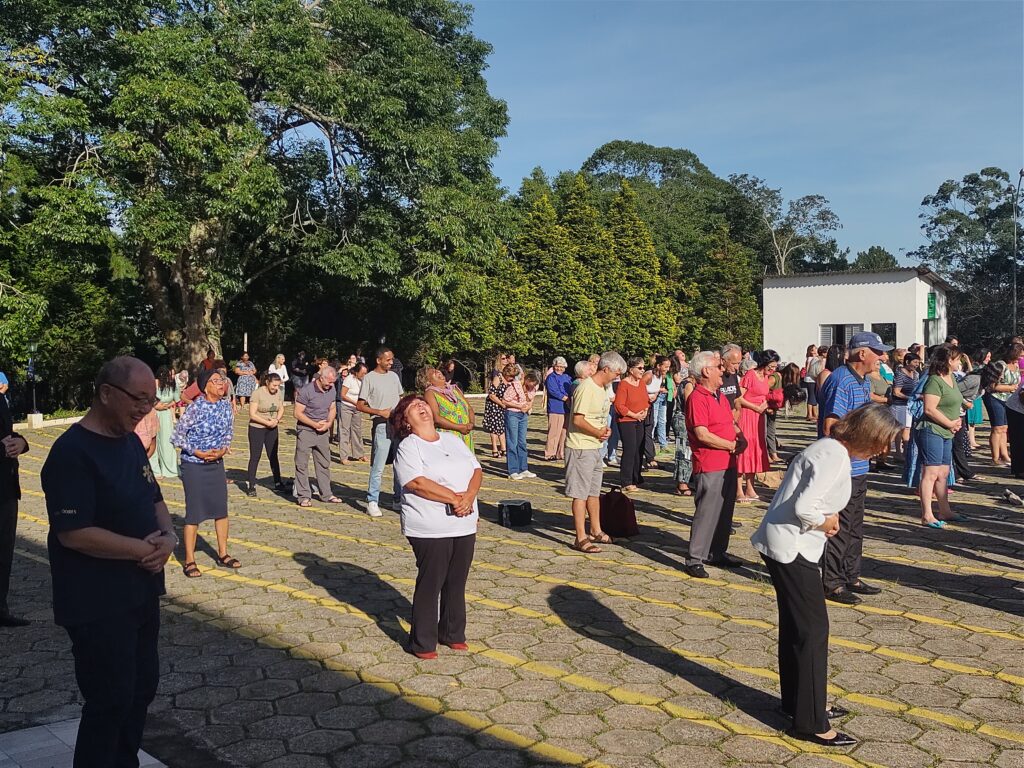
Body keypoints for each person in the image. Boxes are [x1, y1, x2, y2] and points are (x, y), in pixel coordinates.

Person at [41, 357, 176, 766]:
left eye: (151, 402)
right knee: (109, 699)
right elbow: (74, 533)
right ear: (105, 392)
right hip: (96, 602)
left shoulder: (131, 442)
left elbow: (154, 498)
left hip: (140, 592)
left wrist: (168, 537)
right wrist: (144, 551)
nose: (144, 410)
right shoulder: (71, 453)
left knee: (141, 690)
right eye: (138, 399)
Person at [751, 404, 900, 749]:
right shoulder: (834, 454)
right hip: (792, 548)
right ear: (868, 434)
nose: (884, 450)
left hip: (788, 544)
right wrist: (828, 521)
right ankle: (811, 722)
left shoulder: (829, 447)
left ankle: (798, 704)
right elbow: (804, 508)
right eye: (883, 442)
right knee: (813, 630)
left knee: (797, 628)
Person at [391, 395, 481, 660]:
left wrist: (469, 498)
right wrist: (454, 498)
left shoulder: (452, 440)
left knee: (456, 581)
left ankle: (452, 633)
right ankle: (423, 641)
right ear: (405, 421)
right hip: (429, 526)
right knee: (432, 582)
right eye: (412, 407)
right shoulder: (410, 445)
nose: (421, 407)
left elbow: (476, 470)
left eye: (423, 404)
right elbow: (415, 482)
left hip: (463, 522)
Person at [817, 331, 891, 605]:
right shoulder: (842, 381)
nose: (882, 358)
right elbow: (831, 426)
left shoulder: (862, 381)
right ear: (862, 353)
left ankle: (851, 575)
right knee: (839, 527)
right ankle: (832, 583)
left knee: (855, 526)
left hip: (859, 467)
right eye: (878, 352)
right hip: (842, 469)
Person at [171, 367, 238, 576]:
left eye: (223, 380)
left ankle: (223, 554)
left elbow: (229, 432)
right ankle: (189, 559)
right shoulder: (195, 408)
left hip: (216, 464)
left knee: (221, 509)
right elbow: (177, 437)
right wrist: (197, 452)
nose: (222, 384)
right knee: (194, 512)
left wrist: (222, 450)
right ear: (206, 386)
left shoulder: (226, 407)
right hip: (193, 464)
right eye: (217, 380)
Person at [685, 350, 744, 578]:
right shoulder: (698, 398)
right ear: (705, 371)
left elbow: (730, 422)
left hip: (728, 462)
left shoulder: (718, 394)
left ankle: (717, 552)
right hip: (710, 463)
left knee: (724, 512)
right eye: (718, 366)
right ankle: (695, 558)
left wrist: (740, 437)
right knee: (707, 512)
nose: (722, 370)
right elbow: (702, 434)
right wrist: (729, 445)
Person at [565, 352, 623, 553]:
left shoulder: (603, 388)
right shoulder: (586, 388)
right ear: (605, 369)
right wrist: (598, 431)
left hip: (595, 447)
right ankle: (580, 537)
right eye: (616, 373)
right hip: (580, 446)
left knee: (593, 492)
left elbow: (599, 416)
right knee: (580, 494)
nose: (617, 377)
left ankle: (596, 530)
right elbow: (578, 420)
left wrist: (604, 430)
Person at [913, 344, 965, 527]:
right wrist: (950, 423)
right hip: (932, 430)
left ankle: (945, 510)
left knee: (944, 472)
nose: (960, 362)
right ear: (949, 360)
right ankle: (927, 514)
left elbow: (954, 400)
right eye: (957, 359)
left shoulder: (951, 377)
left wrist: (957, 419)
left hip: (947, 432)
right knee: (931, 472)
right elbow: (929, 409)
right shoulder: (934, 380)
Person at [357, 347, 405, 517]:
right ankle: (372, 500)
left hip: (397, 425)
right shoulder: (369, 378)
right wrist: (379, 412)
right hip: (381, 425)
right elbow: (360, 404)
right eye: (388, 360)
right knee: (378, 465)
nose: (391, 362)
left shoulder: (393, 376)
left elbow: (400, 397)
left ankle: (398, 498)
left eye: (392, 359)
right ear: (379, 360)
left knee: (400, 464)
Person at [1, 384, 29, 627]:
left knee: (4, 550)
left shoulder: (1, 400)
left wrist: (21, 444)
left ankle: (1, 608)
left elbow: (9, 433)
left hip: (7, 486)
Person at [294, 366, 342, 508]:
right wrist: (314, 424)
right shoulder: (306, 391)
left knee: (323, 463)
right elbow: (297, 413)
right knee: (301, 464)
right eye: (329, 382)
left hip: (323, 431)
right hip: (306, 430)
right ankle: (303, 496)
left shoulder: (331, 389)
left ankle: (326, 494)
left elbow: (332, 408)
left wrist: (328, 423)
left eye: (333, 382)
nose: (331, 385)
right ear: (321, 378)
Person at [736, 350, 776, 501]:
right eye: (771, 366)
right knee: (744, 451)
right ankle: (738, 489)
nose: (772, 370)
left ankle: (750, 488)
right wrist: (755, 407)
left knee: (755, 450)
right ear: (764, 364)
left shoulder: (766, 377)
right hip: (746, 416)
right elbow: (738, 398)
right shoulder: (750, 375)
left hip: (759, 418)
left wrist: (768, 404)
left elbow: (763, 395)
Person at [246, 372, 286, 496]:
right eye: (274, 385)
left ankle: (278, 482)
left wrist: (277, 420)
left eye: (278, 386)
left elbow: (281, 408)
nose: (276, 388)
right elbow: (252, 414)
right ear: (267, 383)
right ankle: (251, 485)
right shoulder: (257, 393)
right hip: (257, 428)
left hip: (272, 427)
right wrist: (266, 423)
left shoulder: (278, 393)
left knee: (273, 456)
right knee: (255, 456)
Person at [615, 357, 650, 493]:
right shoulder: (624, 384)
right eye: (640, 368)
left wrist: (645, 411)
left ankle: (636, 476)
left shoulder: (641, 383)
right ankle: (626, 481)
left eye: (643, 368)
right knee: (629, 449)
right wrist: (634, 415)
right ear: (631, 370)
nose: (642, 371)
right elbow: (619, 405)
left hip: (640, 419)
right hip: (627, 420)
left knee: (638, 449)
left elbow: (646, 399)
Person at [983, 344, 1021, 467]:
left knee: (1004, 428)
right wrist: (1010, 388)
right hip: (995, 398)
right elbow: (992, 386)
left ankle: (1005, 455)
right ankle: (995, 457)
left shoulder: (1016, 366)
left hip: (1009, 400)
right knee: (997, 428)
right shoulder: (1000, 365)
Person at [421, 366, 475, 451]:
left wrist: (471, 423)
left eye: (437, 370)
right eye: (434, 372)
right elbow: (436, 418)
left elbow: (469, 409)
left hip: (466, 435)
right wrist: (459, 427)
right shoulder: (430, 393)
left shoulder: (454, 390)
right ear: (428, 381)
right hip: (449, 439)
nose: (438, 372)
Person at [499, 364, 534, 479]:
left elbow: (530, 399)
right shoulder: (513, 386)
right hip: (513, 414)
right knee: (512, 442)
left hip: (523, 415)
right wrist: (519, 406)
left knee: (522, 442)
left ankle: (523, 468)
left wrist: (527, 406)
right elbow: (505, 400)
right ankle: (513, 470)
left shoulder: (526, 387)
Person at [890, 353, 922, 460]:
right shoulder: (899, 374)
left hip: (910, 405)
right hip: (899, 405)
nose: (917, 364)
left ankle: (907, 452)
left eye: (918, 362)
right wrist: (910, 397)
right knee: (900, 429)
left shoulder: (916, 374)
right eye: (915, 362)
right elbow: (896, 392)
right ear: (907, 362)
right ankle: (898, 452)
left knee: (908, 428)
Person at [150, 366, 180, 479]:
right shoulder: (154, 383)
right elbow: (147, 397)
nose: (172, 377)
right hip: (153, 413)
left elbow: (177, 400)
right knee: (153, 441)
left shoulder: (174, 385)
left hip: (166, 414)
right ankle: (155, 470)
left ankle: (169, 469)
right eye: (170, 375)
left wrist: (167, 405)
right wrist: (156, 405)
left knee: (167, 442)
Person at [338, 362, 367, 464]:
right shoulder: (349, 379)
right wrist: (354, 402)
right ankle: (343, 456)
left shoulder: (363, 381)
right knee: (345, 431)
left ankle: (359, 454)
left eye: (365, 373)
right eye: (362, 373)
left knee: (357, 431)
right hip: (347, 407)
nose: (364, 375)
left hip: (357, 408)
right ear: (357, 372)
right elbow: (343, 394)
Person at [544, 357, 572, 461]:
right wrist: (564, 397)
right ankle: (550, 453)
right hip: (556, 408)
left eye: (561, 366)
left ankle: (560, 452)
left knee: (564, 432)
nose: (559, 368)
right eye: (557, 366)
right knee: (554, 432)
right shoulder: (551, 377)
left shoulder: (567, 377)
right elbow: (553, 390)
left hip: (567, 408)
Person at [672, 368, 695, 496]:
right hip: (683, 419)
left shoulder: (687, 383)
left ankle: (685, 480)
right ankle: (682, 483)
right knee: (684, 452)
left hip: (684, 418)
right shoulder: (688, 384)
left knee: (687, 451)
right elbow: (690, 404)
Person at [483, 353, 509, 458]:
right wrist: (501, 404)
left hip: (502, 404)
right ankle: (494, 448)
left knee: (501, 427)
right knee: (494, 427)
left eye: (506, 358)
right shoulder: (497, 376)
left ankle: (503, 448)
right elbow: (492, 394)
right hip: (494, 404)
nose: (506, 360)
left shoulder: (506, 375)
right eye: (503, 358)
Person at [804, 347, 826, 422]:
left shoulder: (816, 358)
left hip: (812, 379)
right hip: (811, 379)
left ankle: (814, 414)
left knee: (813, 397)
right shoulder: (811, 359)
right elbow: (807, 369)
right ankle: (810, 414)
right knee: (811, 396)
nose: (815, 351)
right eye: (813, 349)